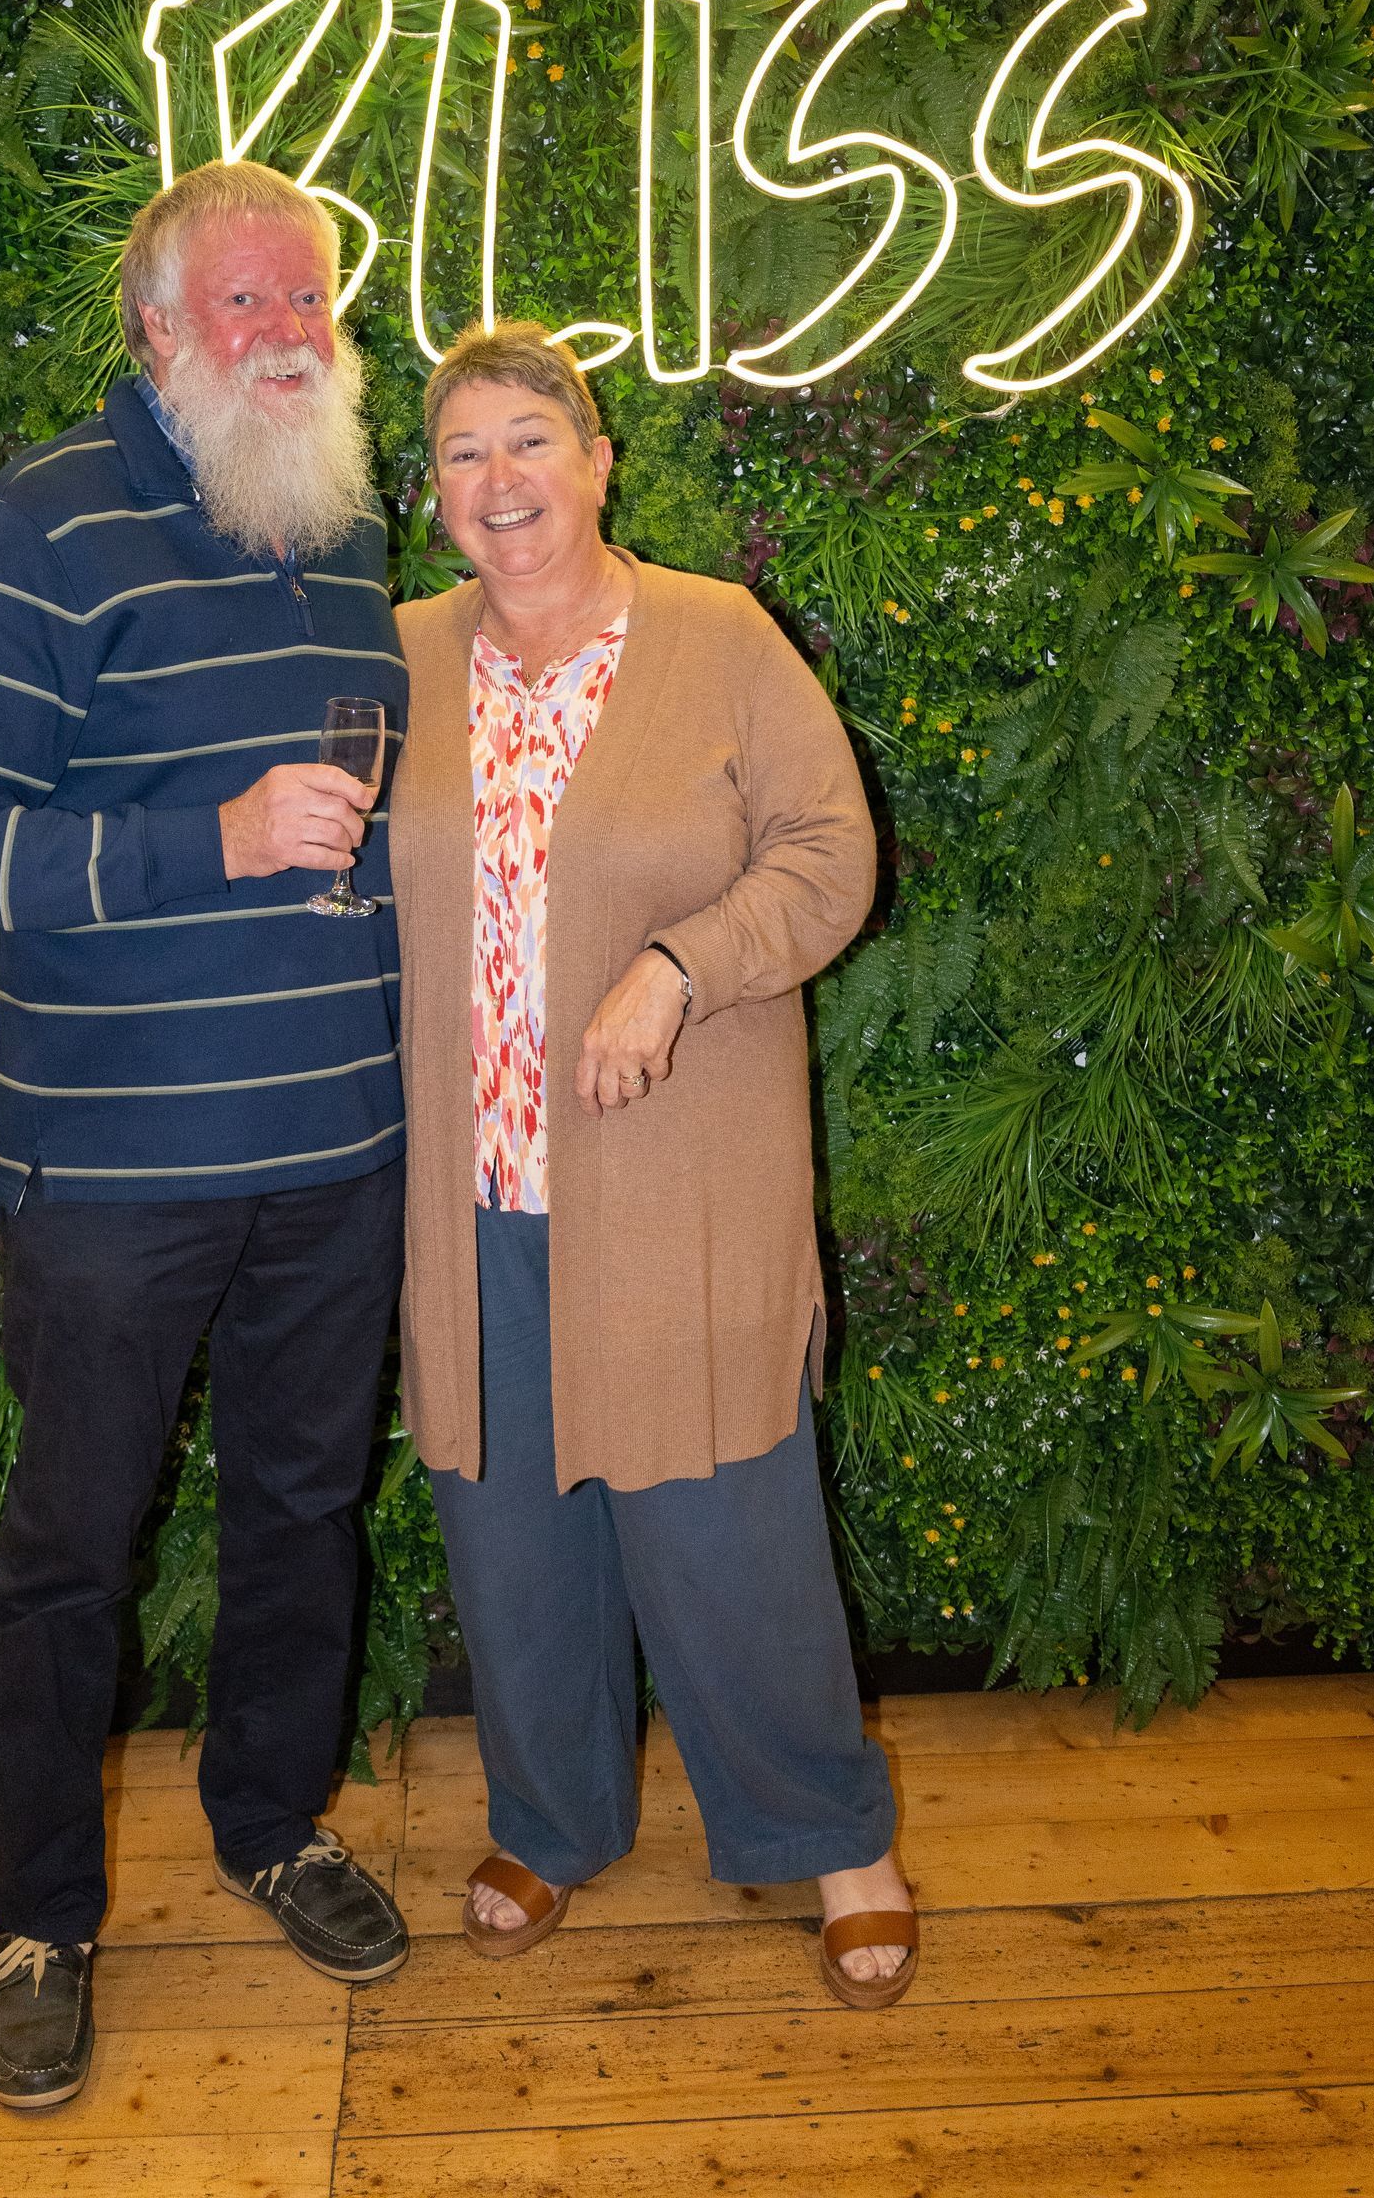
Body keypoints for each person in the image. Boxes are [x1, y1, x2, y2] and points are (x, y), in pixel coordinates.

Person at [0, 159, 412, 2115]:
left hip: (337, 1147)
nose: (290, 339)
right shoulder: (36, 533)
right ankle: (38, 1920)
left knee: (298, 1512)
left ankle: (273, 1821)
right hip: (106, 1180)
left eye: (312, 303)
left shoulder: (344, 525)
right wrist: (210, 839)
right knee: (68, 1558)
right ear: (157, 333)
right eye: (248, 306)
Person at [390, 322, 918, 2009]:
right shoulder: (392, 660)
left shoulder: (717, 637)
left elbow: (834, 855)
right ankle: (551, 1819)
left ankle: (835, 1833)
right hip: (469, 1197)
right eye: (465, 455)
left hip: (674, 1182)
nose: (502, 481)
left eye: (531, 440)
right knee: (508, 1520)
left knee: (724, 1520)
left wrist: (681, 964)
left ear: (599, 457)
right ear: (435, 501)